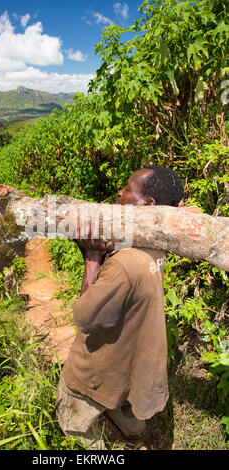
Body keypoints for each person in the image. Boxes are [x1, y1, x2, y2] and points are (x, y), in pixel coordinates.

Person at [55, 166, 185, 449]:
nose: (120, 193)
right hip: (134, 359)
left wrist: (92, 256)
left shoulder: (126, 262)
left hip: (99, 370)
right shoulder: (157, 244)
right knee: (125, 402)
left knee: (74, 422)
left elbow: (85, 319)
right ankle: (136, 433)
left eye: (128, 189)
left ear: (147, 205)